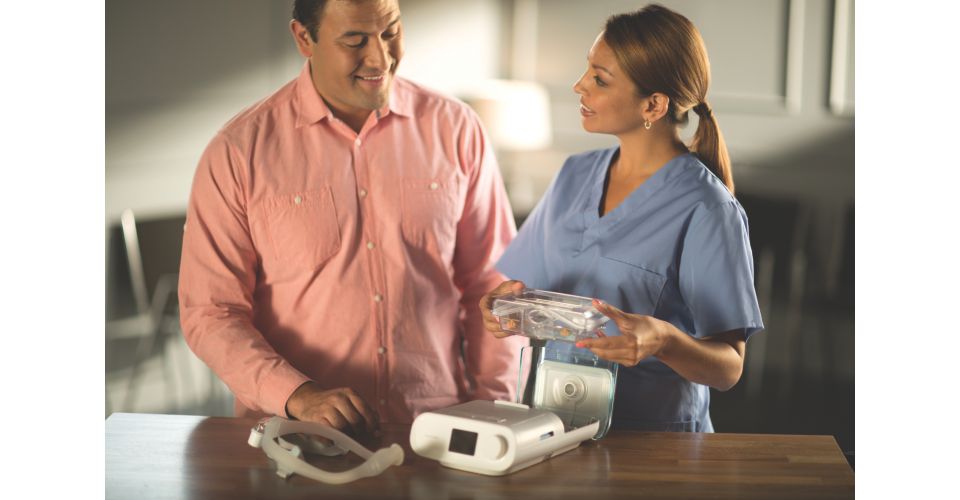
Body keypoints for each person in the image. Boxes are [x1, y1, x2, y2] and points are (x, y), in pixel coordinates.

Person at [179, 0, 525, 435]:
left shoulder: (456, 129)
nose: (380, 58)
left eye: (391, 32)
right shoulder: (238, 151)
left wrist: (493, 407)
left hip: (435, 430)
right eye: (355, 40)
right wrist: (298, 395)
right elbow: (211, 312)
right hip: (295, 437)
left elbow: (492, 286)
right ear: (304, 38)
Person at [480, 4, 763, 432]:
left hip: (652, 442)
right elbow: (533, 294)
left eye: (599, 79)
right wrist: (505, 306)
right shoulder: (574, 175)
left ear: (653, 105)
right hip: (551, 425)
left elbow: (728, 368)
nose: (579, 85)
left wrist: (664, 341)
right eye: (587, 70)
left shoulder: (707, 208)